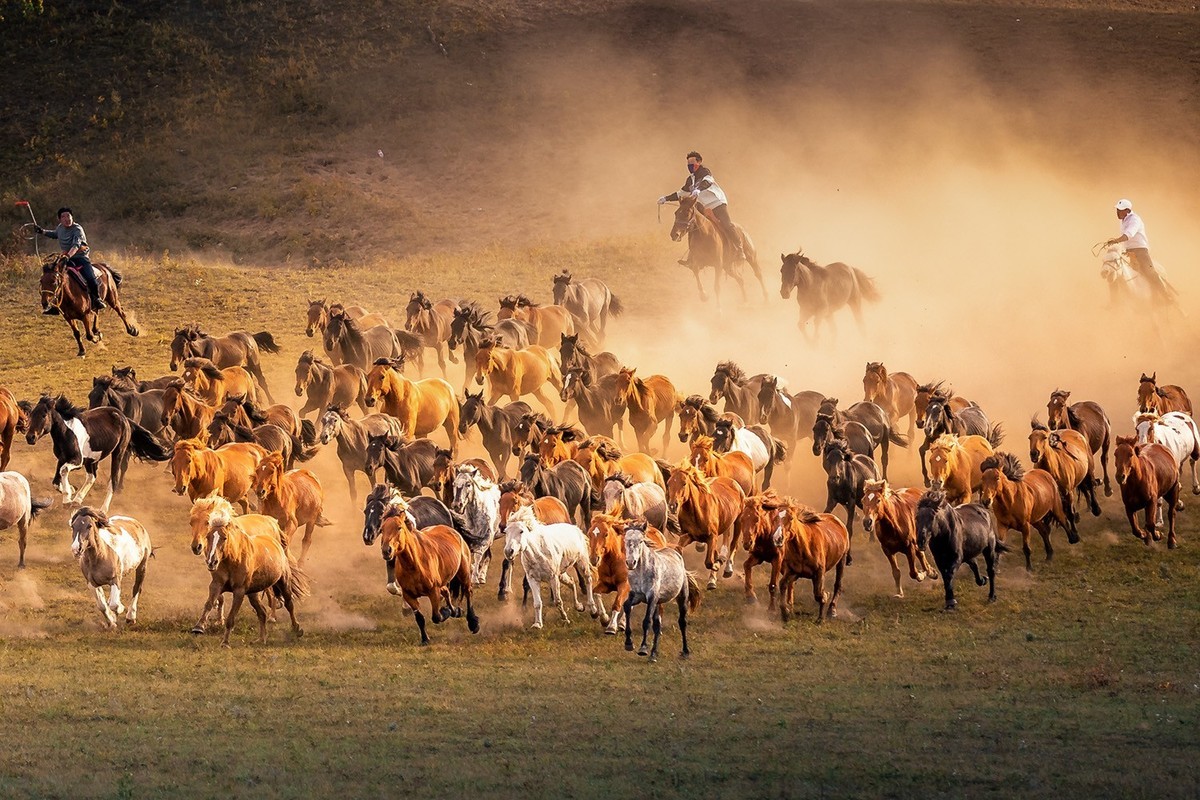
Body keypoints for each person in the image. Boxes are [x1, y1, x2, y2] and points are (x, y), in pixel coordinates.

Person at [658, 151, 746, 262]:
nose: (690, 166)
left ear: (699, 162)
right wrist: (666, 198)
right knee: (693, 225)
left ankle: (739, 249)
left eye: (693, 163)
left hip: (717, 203)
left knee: (727, 224)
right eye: (688, 164)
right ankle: (692, 257)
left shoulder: (705, 172)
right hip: (704, 207)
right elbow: (681, 193)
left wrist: (698, 189)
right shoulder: (690, 180)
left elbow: (707, 182)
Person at [36, 207, 105, 312]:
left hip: (80, 258)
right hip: (66, 259)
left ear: (72, 217)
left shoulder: (77, 229)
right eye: (63, 217)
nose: (66, 218)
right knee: (55, 277)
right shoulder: (60, 228)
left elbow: (76, 245)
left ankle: (97, 299)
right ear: (60, 219)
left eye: (68, 216)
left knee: (90, 278)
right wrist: (42, 231)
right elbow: (55, 234)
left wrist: (68, 256)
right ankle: (55, 305)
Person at [1104, 199, 1172, 303]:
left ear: (1127, 210)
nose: (1117, 212)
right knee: (1114, 270)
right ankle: (1114, 302)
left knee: (1149, 272)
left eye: (1120, 210)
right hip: (1127, 251)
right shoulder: (1122, 221)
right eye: (1117, 210)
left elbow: (1129, 234)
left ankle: (1165, 296)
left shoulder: (1135, 220)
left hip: (1140, 251)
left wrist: (1116, 240)